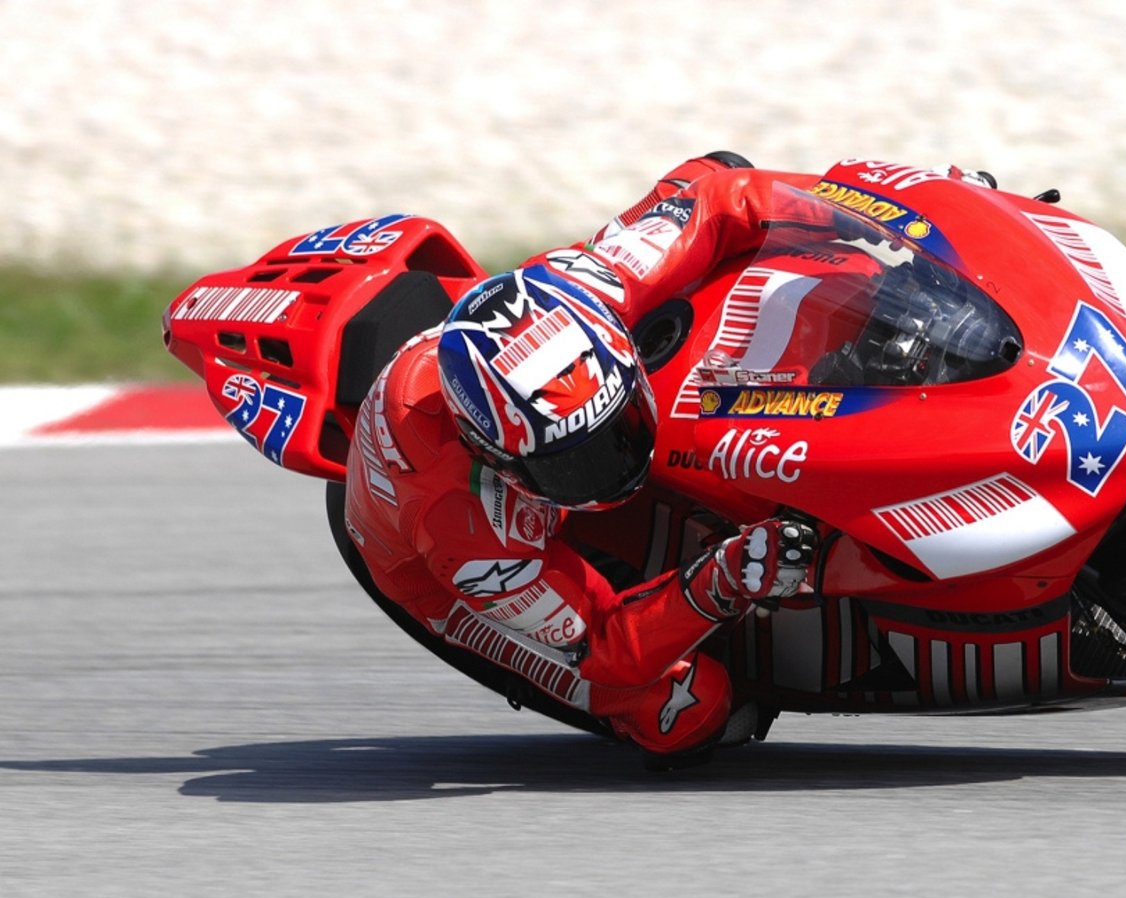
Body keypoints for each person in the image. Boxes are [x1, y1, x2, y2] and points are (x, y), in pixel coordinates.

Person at [342, 153, 846, 765]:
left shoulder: (584, 289)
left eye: (616, 430)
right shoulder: (462, 527)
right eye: (573, 462)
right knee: (691, 709)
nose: (614, 468)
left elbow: (722, 196)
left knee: (718, 183)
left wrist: (876, 219)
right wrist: (726, 578)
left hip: (530, 442)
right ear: (494, 455)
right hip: (439, 579)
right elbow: (607, 648)